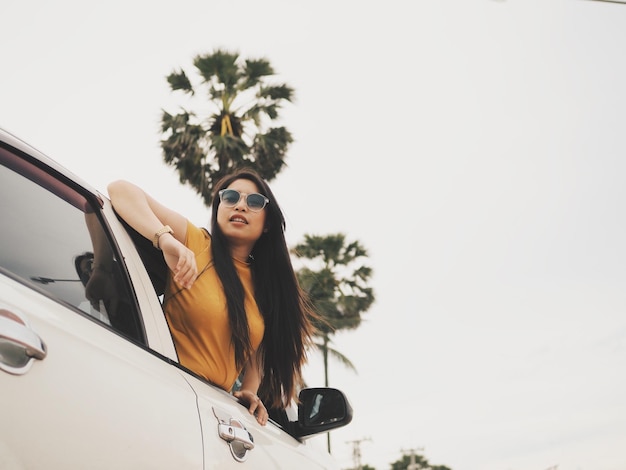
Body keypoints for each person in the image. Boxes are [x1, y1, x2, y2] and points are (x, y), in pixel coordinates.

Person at [107, 169, 317, 426]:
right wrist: (165, 239)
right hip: (163, 389)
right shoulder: (197, 243)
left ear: (268, 223)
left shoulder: (265, 286)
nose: (240, 206)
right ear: (218, 208)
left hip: (212, 413)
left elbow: (256, 343)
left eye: (253, 202)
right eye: (229, 197)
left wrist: (250, 389)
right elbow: (120, 189)